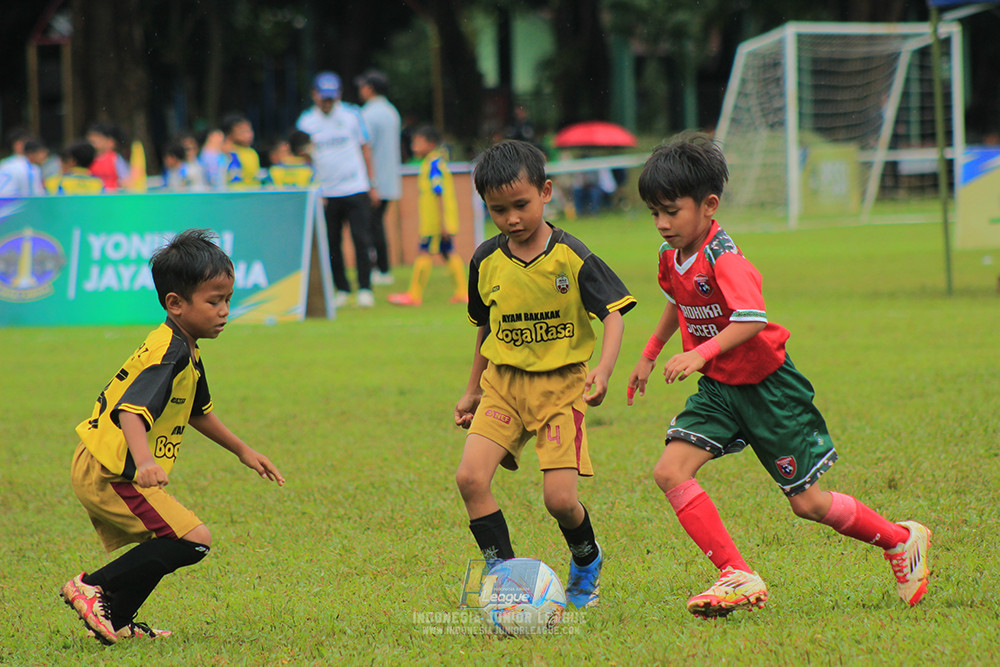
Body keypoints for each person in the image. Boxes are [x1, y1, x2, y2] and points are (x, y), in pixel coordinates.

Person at [625, 132, 931, 619]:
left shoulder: (725, 256)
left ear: (708, 205)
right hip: (721, 389)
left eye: (671, 211)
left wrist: (700, 352)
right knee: (669, 471)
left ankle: (900, 540)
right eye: (654, 213)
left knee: (808, 504)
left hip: (769, 389)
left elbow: (752, 319)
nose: (662, 224)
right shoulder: (671, 254)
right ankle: (736, 573)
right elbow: (676, 299)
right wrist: (649, 353)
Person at [59, 229, 285, 644]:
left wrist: (243, 451)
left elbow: (199, 412)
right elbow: (130, 410)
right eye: (214, 301)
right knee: (192, 539)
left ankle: (115, 617)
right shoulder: (172, 351)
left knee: (170, 540)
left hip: (106, 463)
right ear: (175, 304)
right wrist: (145, 461)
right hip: (113, 469)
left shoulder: (185, 347)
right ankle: (92, 587)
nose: (224, 311)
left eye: (228, 300)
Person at [454, 140, 636, 608]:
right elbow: (484, 328)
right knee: (471, 479)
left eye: (521, 205)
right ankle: (506, 580)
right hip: (503, 387)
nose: (512, 218)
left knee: (559, 499)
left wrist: (604, 369)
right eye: (498, 210)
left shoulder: (571, 256)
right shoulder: (485, 260)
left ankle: (587, 558)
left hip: (560, 389)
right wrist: (472, 390)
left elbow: (614, 313)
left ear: (546, 192)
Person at [296, 71, 377, 308]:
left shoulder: (352, 115)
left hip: (356, 187)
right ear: (314, 95)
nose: (328, 102)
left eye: (332, 97)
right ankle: (341, 287)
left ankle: (365, 288)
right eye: (323, 98)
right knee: (331, 243)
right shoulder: (306, 121)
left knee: (361, 239)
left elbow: (365, 149)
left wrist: (372, 184)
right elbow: (304, 158)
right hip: (326, 193)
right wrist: (314, 188)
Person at [387, 126, 467, 306]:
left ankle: (414, 295)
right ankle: (463, 293)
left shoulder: (433, 164)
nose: (414, 146)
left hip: (435, 225)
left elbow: (438, 192)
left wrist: (443, 223)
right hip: (437, 223)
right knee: (448, 253)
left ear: (430, 144)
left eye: (418, 142)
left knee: (424, 253)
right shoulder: (433, 162)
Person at [356, 68, 402, 286]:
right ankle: (383, 268)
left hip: (373, 180)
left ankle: (380, 269)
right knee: (377, 225)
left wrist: (370, 181)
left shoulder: (368, 113)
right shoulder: (391, 111)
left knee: (371, 227)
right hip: (389, 178)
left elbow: (365, 147)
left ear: (370, 89)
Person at [221, 113, 262, 189]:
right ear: (229, 134)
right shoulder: (226, 152)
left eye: (249, 130)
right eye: (242, 131)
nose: (248, 135)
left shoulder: (252, 153)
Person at [86, 122, 130, 191]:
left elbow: (125, 180)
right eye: (91, 137)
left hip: (111, 198)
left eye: (98, 137)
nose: (93, 140)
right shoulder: (88, 159)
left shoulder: (115, 159)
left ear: (111, 142)